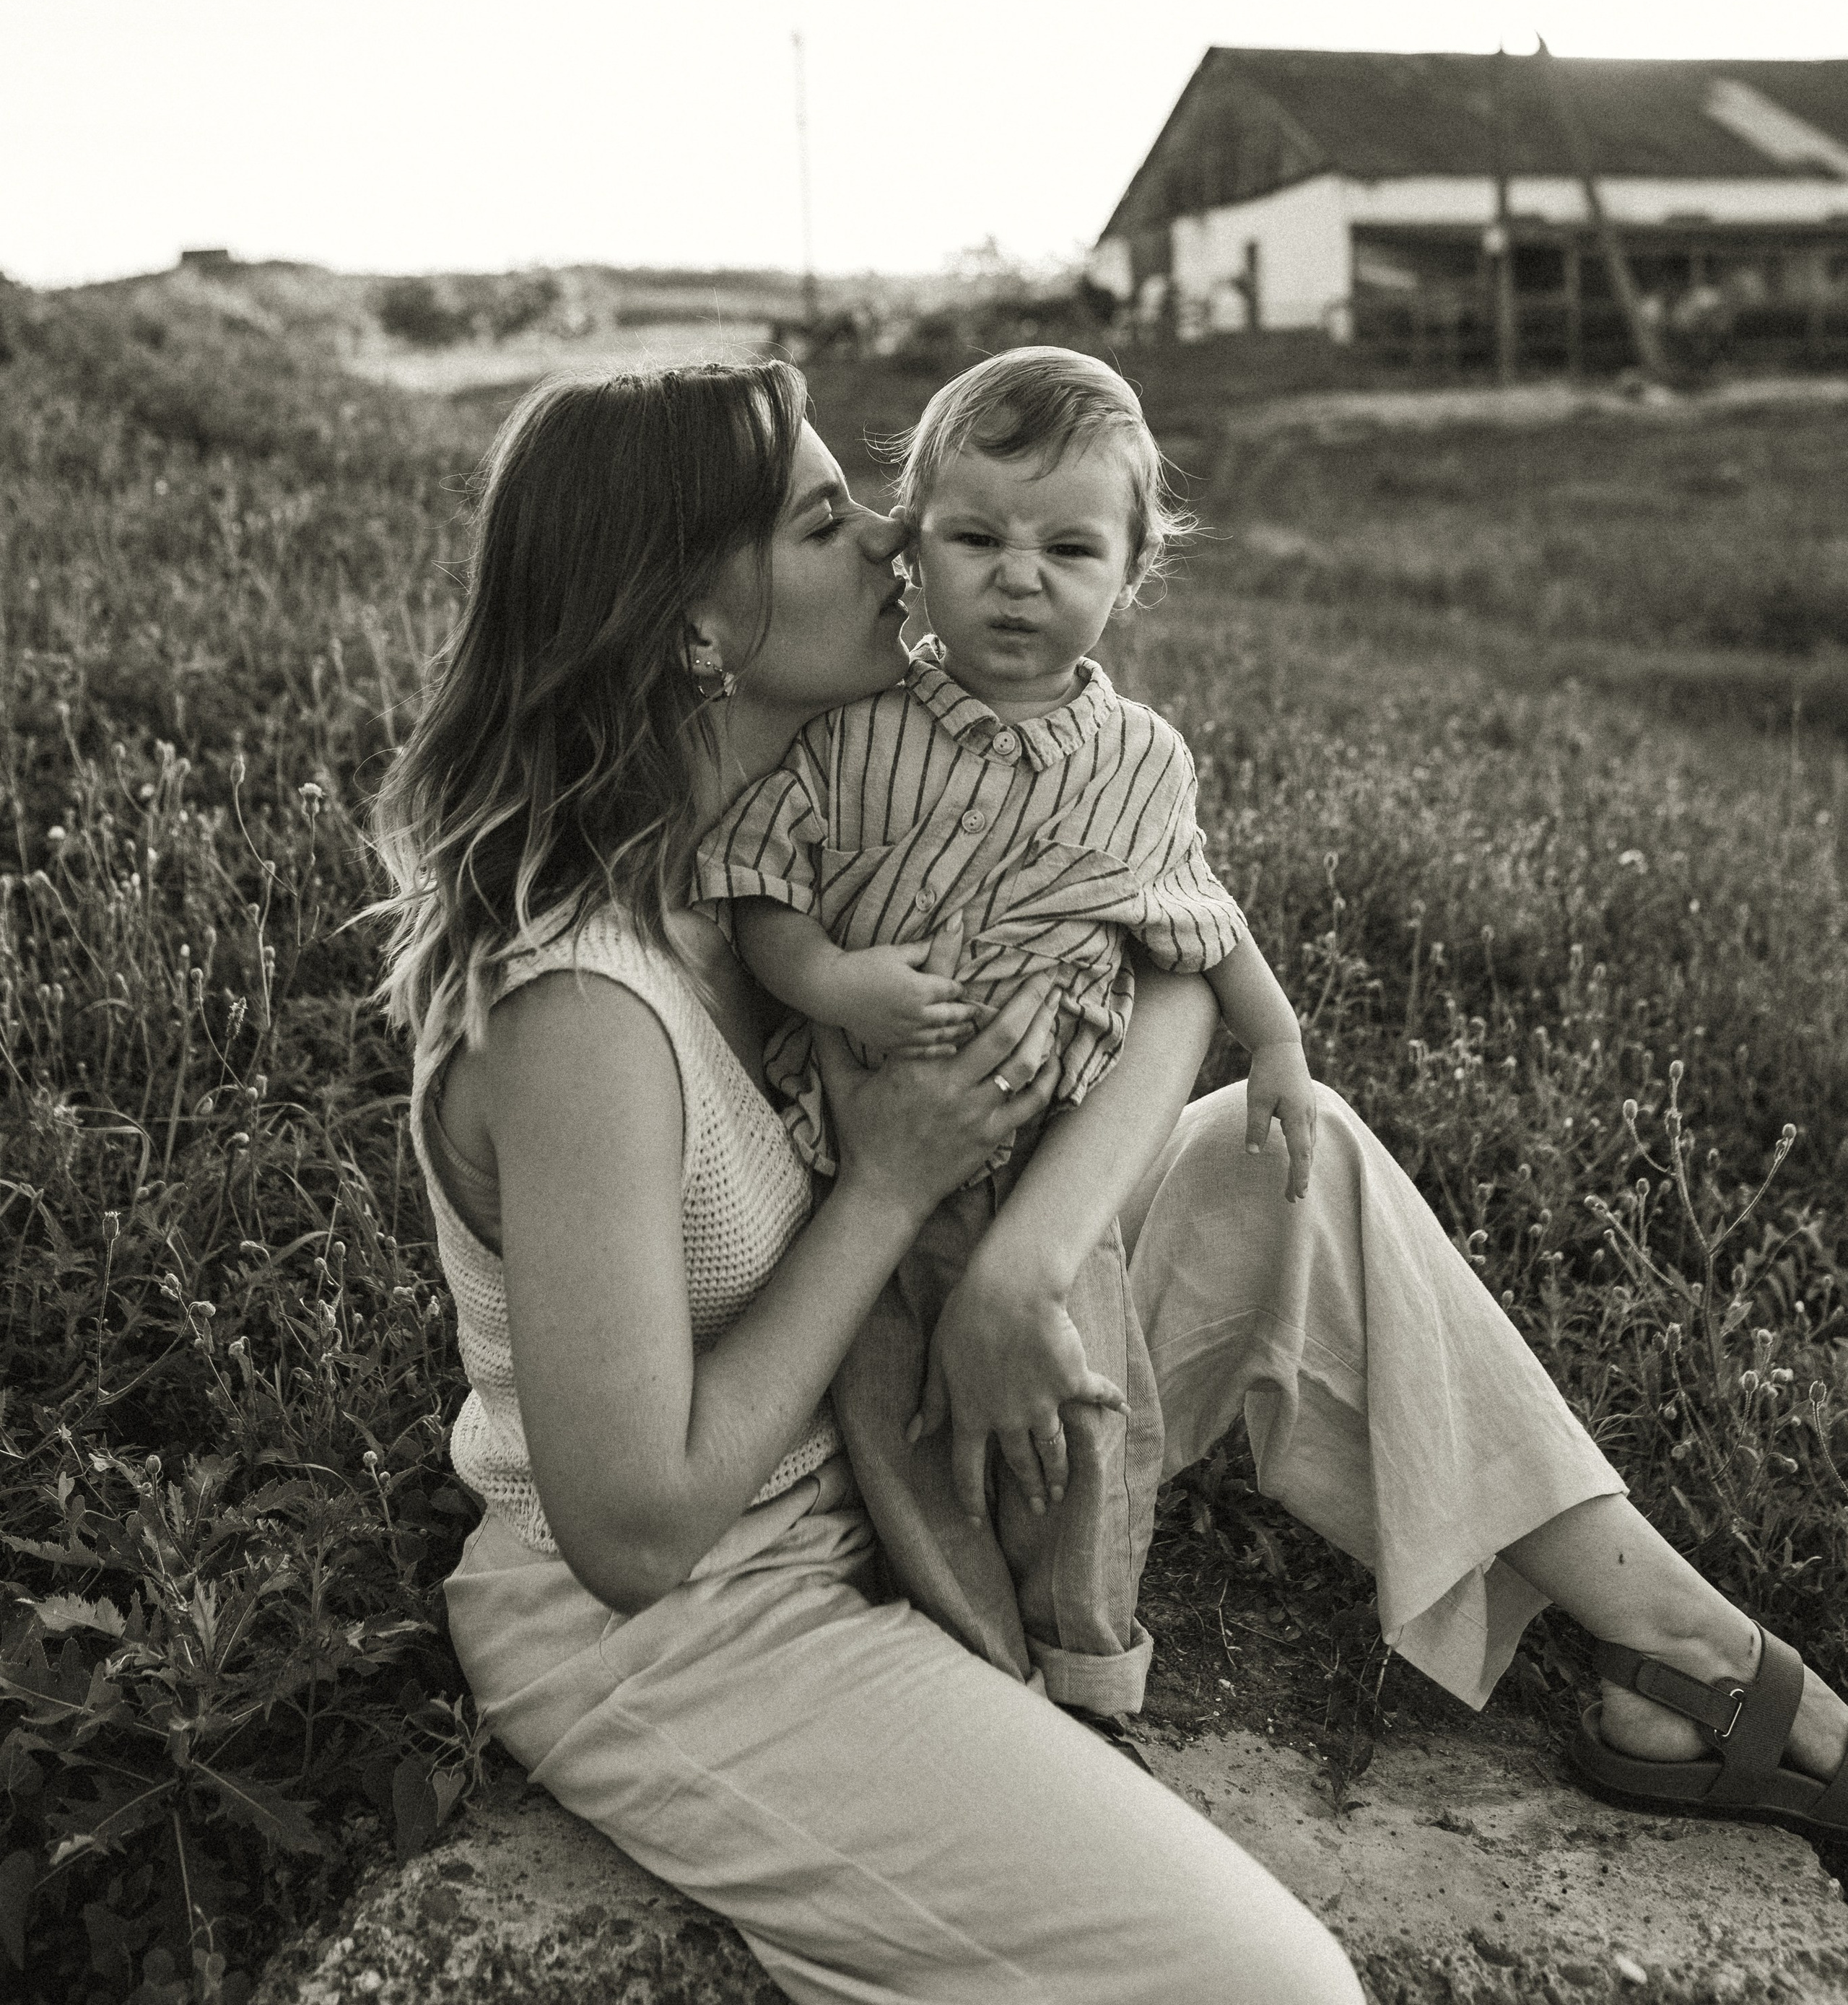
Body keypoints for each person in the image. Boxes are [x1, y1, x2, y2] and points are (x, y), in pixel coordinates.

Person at [372, 359, 1847, 2005]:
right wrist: (880, 1196)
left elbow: (1164, 967)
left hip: (907, 1412)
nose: (887, 537)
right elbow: (632, 1530)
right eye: (818, 518)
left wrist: (1027, 1261)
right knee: (1276, 1990)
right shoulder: (582, 1010)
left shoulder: (818, 818)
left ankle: (1707, 1667)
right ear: (692, 630)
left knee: (1294, 1160)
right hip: (699, 1628)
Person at [694, 348, 1315, 1718]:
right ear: (912, 545)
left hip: (1043, 1166)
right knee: (901, 1433)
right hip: (853, 1162)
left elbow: (1193, 909)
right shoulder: (857, 734)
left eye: (1069, 548)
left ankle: (1094, 1662)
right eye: (976, 537)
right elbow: (760, 892)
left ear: (1132, 569)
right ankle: (979, 1659)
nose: (1019, 577)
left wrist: (1276, 1043)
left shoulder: (1143, 759)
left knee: (1080, 1414)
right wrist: (840, 984)